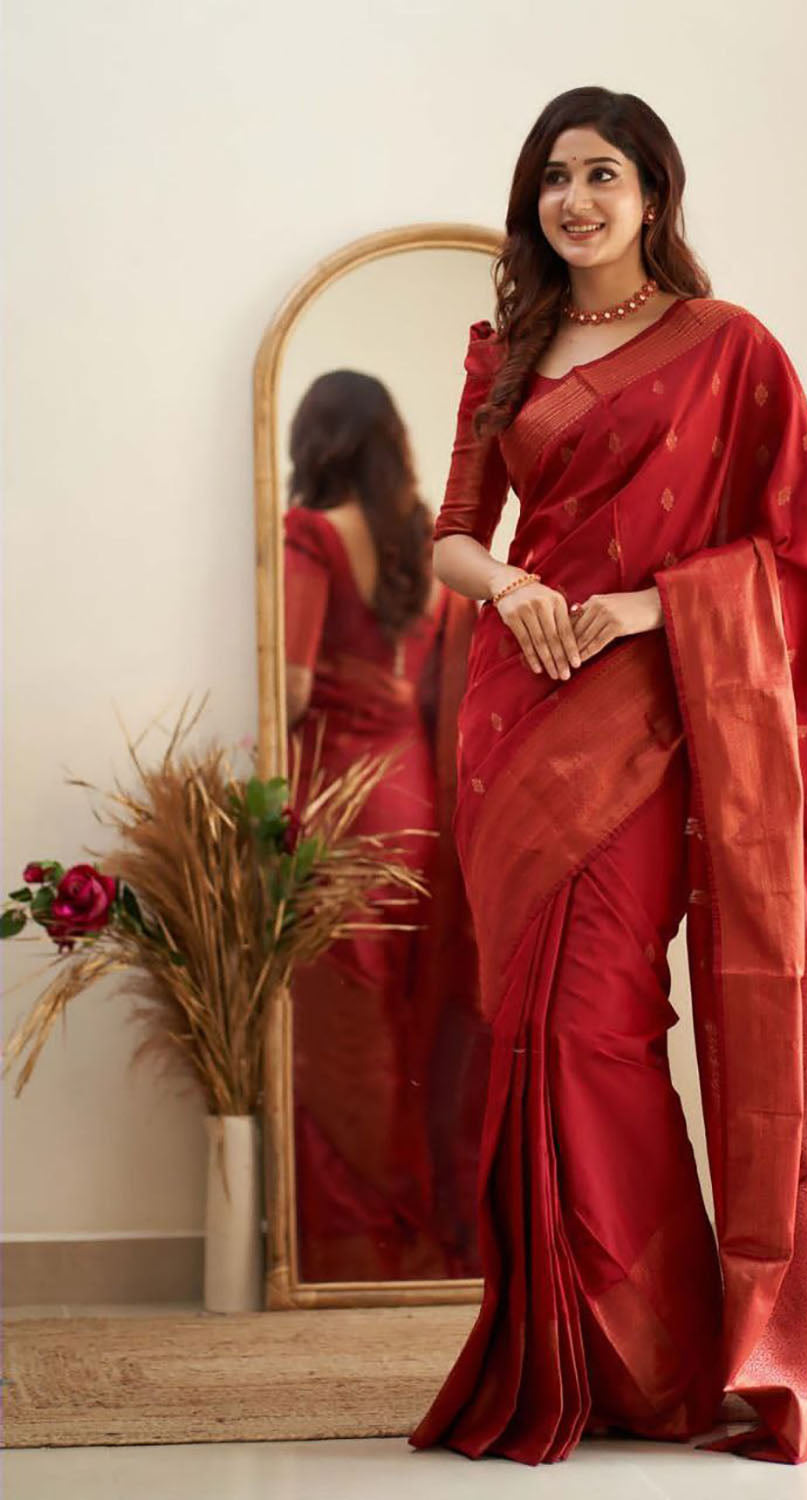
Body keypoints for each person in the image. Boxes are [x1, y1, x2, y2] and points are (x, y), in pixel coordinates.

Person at [407, 86, 807, 1465]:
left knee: (598, 1026)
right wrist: (514, 594)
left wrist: (632, 609)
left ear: (654, 196)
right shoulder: (504, 351)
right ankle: (572, 1350)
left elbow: (803, 559)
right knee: (527, 1030)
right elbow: (451, 533)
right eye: (554, 176)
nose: (576, 199)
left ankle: (663, 1353)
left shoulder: (729, 351)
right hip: (513, 712)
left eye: (603, 174)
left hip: (648, 705)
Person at [283, 370, 484, 1284]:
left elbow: (287, 685)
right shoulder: (428, 545)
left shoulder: (313, 534)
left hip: (337, 798)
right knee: (409, 1020)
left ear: (314, 444)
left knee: (343, 1027)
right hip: (419, 803)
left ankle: (360, 1243)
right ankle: (426, 1227)